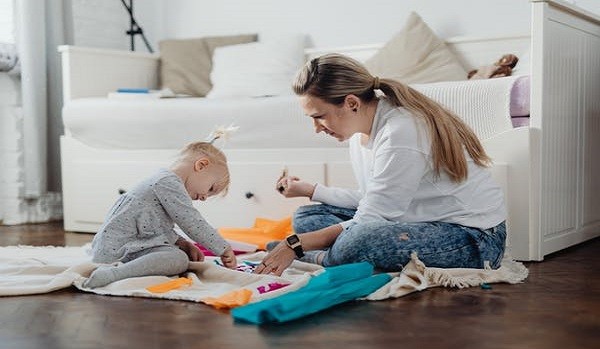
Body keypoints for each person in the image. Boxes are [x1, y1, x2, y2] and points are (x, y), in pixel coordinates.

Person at [254, 53, 506, 276]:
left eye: (319, 117)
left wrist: (295, 245)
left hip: (474, 238)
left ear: (352, 103)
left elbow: (372, 216)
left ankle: (323, 258)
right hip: (412, 221)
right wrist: (312, 191)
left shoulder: (401, 130)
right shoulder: (360, 134)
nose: (317, 128)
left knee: (360, 240)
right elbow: (372, 200)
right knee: (307, 216)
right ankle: (338, 256)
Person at [83, 139, 237, 288]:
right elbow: (192, 222)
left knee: (178, 255)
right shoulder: (168, 183)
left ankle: (117, 271)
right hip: (118, 249)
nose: (204, 198)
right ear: (201, 165)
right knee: (178, 260)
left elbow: (157, 225)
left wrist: (181, 243)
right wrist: (223, 248)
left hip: (128, 245)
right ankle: (113, 274)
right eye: (210, 189)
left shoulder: (164, 181)